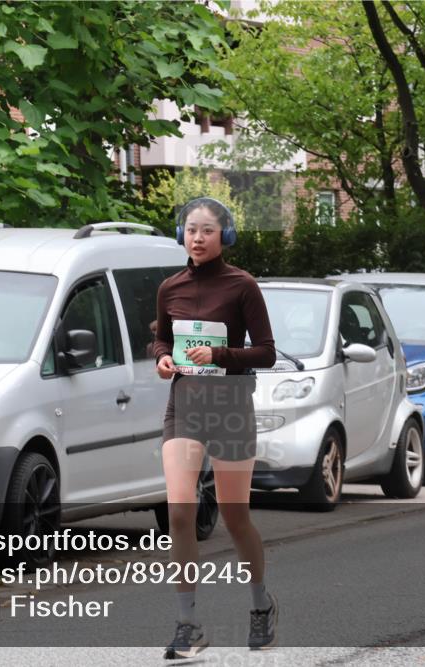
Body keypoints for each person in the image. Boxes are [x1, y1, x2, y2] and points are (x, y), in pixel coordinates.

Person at [153, 197, 278, 659]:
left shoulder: (242, 286)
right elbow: (161, 336)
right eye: (190, 230)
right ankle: (188, 624)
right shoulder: (170, 287)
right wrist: (163, 357)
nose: (197, 238)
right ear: (181, 234)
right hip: (184, 407)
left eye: (207, 230)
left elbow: (265, 351)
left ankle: (261, 605)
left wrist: (222, 355)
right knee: (181, 511)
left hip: (230, 408)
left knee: (233, 514)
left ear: (224, 236)